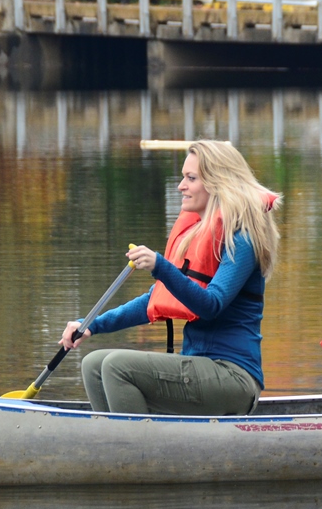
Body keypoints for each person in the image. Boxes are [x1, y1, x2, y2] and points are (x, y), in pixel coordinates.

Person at [61, 140, 279, 415]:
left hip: (233, 377)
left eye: (191, 178)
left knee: (117, 366)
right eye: (182, 177)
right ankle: (117, 443)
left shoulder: (243, 238)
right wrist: (91, 325)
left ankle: (138, 450)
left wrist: (160, 266)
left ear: (217, 182)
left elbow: (211, 305)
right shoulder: (199, 233)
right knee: (93, 364)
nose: (181, 186)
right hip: (198, 368)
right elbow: (156, 300)